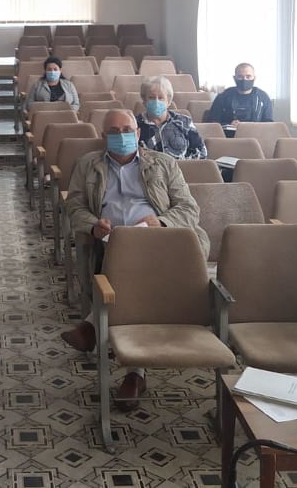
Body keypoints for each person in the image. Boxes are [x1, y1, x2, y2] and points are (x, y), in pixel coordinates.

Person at [61, 109, 208, 410]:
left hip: (161, 241)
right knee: (129, 262)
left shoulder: (163, 163)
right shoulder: (87, 165)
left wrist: (161, 222)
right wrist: (93, 225)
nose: (122, 136)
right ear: (104, 137)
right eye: (114, 131)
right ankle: (134, 373)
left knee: (137, 268)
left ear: (138, 133)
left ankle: (93, 328)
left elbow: (189, 209)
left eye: (127, 129)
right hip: (111, 240)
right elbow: (74, 206)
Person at [135, 75, 207, 159]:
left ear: (168, 102)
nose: (156, 101)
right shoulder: (135, 124)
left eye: (161, 98)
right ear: (144, 101)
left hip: (183, 166)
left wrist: (182, 164)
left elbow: (202, 152)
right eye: (151, 97)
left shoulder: (184, 122)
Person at [206, 62, 273, 125]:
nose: (244, 79)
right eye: (240, 77)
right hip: (228, 133)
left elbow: (269, 123)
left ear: (254, 78)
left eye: (248, 76)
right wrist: (229, 124)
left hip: (255, 132)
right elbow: (213, 122)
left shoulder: (263, 97)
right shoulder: (223, 96)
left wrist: (252, 126)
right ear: (234, 78)